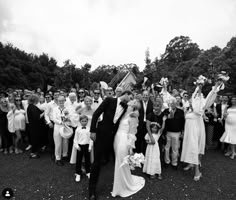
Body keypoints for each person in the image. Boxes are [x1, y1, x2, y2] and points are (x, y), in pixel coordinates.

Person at [88, 90, 133, 200]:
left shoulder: (126, 108)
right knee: (97, 162)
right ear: (126, 94)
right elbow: (96, 114)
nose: (131, 100)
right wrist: (93, 130)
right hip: (101, 134)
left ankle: (121, 185)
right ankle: (91, 191)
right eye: (130, 97)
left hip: (114, 138)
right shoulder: (109, 100)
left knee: (113, 160)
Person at [180, 81, 222, 181]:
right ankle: (191, 163)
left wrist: (214, 87)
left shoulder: (201, 104)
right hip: (189, 129)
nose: (197, 95)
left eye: (199, 94)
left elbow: (201, 106)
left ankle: (197, 171)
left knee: (194, 147)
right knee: (189, 146)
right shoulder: (188, 104)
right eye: (195, 94)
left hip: (196, 128)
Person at [111, 99, 145, 197]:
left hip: (124, 140)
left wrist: (130, 147)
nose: (129, 104)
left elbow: (132, 133)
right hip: (117, 138)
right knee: (118, 160)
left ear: (134, 107)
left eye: (132, 103)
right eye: (130, 102)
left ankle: (121, 187)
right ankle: (120, 182)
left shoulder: (133, 117)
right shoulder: (123, 113)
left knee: (121, 161)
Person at [164, 98, 185, 169]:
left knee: (175, 149)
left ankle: (174, 163)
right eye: (171, 103)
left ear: (176, 104)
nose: (172, 104)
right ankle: (167, 161)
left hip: (177, 133)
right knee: (167, 148)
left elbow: (183, 122)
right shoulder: (166, 111)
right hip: (168, 132)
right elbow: (164, 121)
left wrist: (182, 132)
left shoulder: (181, 111)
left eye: (174, 103)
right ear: (169, 104)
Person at [73, 115, 93, 182]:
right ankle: (78, 173)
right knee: (79, 160)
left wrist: (90, 147)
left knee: (87, 159)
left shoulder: (89, 128)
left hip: (87, 146)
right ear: (80, 121)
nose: (84, 122)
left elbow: (91, 139)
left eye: (85, 121)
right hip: (80, 146)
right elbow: (75, 139)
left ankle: (88, 172)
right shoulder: (77, 129)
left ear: (87, 121)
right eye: (82, 121)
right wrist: (77, 146)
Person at [52, 95, 69, 166]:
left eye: (62, 100)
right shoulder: (55, 109)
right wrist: (60, 122)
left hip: (65, 127)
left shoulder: (67, 109)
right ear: (57, 101)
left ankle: (64, 155)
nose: (61, 102)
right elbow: (54, 119)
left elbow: (68, 117)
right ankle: (58, 158)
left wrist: (66, 119)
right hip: (58, 127)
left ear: (65, 101)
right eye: (59, 101)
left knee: (65, 142)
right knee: (58, 143)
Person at [27, 94, 45, 158]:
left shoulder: (31, 106)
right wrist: (45, 112)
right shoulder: (32, 107)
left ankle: (35, 151)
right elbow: (38, 117)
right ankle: (33, 153)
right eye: (38, 99)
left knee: (35, 139)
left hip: (33, 126)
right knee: (34, 139)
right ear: (35, 100)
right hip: (34, 127)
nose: (39, 100)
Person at [220, 95, 236, 159]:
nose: (233, 100)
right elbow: (224, 116)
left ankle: (233, 152)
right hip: (227, 124)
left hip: (234, 125)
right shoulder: (228, 107)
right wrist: (225, 109)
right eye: (232, 99)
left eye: (235, 99)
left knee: (233, 137)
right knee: (229, 137)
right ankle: (231, 151)